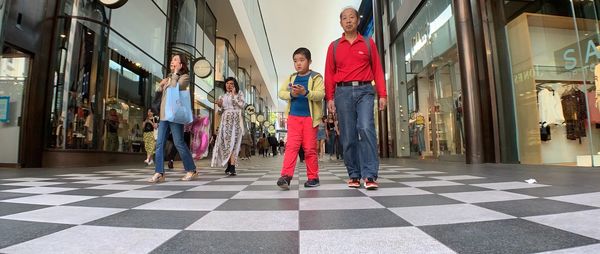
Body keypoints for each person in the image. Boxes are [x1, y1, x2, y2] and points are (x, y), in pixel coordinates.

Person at [325, 7, 387, 190]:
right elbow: (329, 73)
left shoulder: (368, 43)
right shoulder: (334, 46)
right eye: (345, 18)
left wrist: (382, 94)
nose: (349, 20)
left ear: (357, 21)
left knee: (366, 127)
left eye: (352, 17)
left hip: (365, 90)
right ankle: (354, 174)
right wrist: (330, 98)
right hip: (342, 93)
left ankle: (369, 175)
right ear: (341, 23)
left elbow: (377, 69)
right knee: (348, 135)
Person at [276, 47, 324, 189]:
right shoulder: (291, 77)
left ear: (309, 61)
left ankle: (313, 178)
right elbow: (281, 93)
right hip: (293, 118)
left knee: (309, 149)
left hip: (310, 118)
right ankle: (286, 176)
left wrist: (306, 92)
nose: (298, 63)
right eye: (295, 61)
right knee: (291, 146)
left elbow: (320, 94)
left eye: (302, 60)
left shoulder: (316, 77)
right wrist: (292, 94)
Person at [148, 53, 197, 183]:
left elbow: (176, 88)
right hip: (164, 115)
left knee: (179, 143)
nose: (172, 61)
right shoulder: (168, 78)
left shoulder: (184, 77)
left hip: (175, 115)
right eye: (172, 59)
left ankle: (191, 170)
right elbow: (161, 96)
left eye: (175, 60)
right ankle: (159, 172)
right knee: (159, 144)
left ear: (181, 65)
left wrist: (174, 74)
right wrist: (161, 85)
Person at [211, 77, 245, 176]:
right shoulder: (223, 96)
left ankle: (233, 167)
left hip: (236, 121)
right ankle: (229, 165)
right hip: (225, 122)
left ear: (235, 85)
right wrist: (220, 105)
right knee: (226, 143)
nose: (229, 85)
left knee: (234, 143)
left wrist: (234, 96)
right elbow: (220, 112)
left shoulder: (240, 93)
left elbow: (242, 105)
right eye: (227, 83)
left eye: (231, 84)